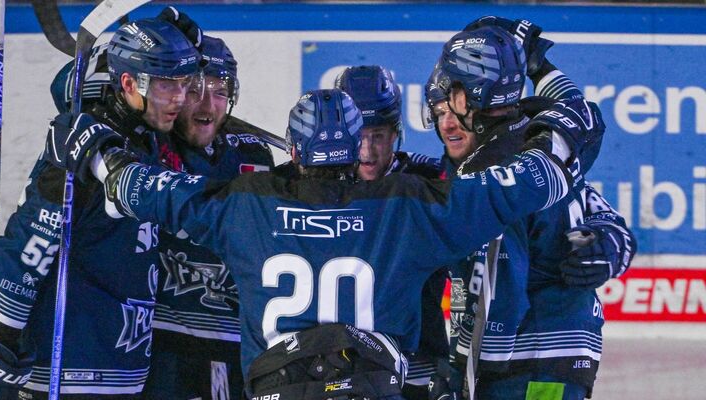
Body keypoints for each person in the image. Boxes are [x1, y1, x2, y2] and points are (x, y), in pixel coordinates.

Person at [43, 84, 595, 399]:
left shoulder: (244, 204)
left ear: (295, 149)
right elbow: (515, 189)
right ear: (355, 146)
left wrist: (98, 152)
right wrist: (563, 137)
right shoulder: (409, 207)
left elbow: (151, 191)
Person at [0, 17, 203, 399]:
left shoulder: (147, 136)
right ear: (128, 84)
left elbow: (73, 83)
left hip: (124, 361)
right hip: (73, 366)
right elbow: (33, 238)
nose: (180, 98)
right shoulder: (83, 149)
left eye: (184, 83)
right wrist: (1, 337)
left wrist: (169, 38)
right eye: (166, 84)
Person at [422, 19, 635, 400]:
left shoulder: (493, 172)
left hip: (523, 363)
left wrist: (463, 370)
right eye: (437, 114)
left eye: (450, 104)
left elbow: (499, 294)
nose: (448, 123)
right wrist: (539, 66)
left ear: (467, 96)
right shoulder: (545, 147)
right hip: (566, 357)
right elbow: (577, 114)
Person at [143, 35, 275, 400]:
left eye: (219, 91)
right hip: (160, 342)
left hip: (235, 343)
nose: (208, 104)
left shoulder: (255, 157)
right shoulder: (148, 146)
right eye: (195, 89)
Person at [335, 64, 449, 399]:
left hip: (418, 361)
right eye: (359, 137)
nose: (368, 152)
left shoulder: (429, 180)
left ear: (396, 132)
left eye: (379, 136)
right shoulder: (316, 182)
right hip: (338, 363)